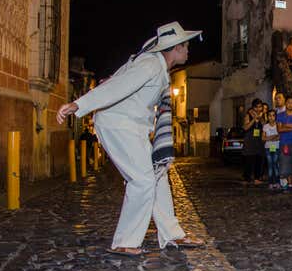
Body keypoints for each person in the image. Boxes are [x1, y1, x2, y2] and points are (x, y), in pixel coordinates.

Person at [56, 21, 204, 256]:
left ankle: (172, 234)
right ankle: (125, 241)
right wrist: (79, 105)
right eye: (185, 46)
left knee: (158, 176)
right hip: (118, 125)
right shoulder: (150, 66)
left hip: (132, 127)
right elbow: (118, 86)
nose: (188, 50)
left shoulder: (156, 67)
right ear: (175, 48)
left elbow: (118, 78)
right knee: (143, 181)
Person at [242, 100, 264, 185]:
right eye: (256, 107)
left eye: (260, 107)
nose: (258, 109)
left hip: (259, 141)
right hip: (250, 141)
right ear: (253, 107)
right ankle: (246, 178)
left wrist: (260, 118)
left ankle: (257, 178)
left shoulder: (263, 115)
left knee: (259, 159)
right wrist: (254, 119)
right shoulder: (248, 115)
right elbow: (245, 127)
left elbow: (265, 125)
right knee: (249, 160)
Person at [263, 110, 280, 190]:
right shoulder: (265, 126)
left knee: (275, 165)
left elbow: (280, 136)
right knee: (270, 165)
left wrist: (269, 138)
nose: (271, 117)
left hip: (276, 147)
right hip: (268, 148)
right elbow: (263, 138)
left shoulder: (278, 125)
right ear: (267, 116)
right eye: (269, 115)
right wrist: (274, 136)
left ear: (275, 116)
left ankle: (277, 182)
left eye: (273, 115)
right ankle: (270, 183)